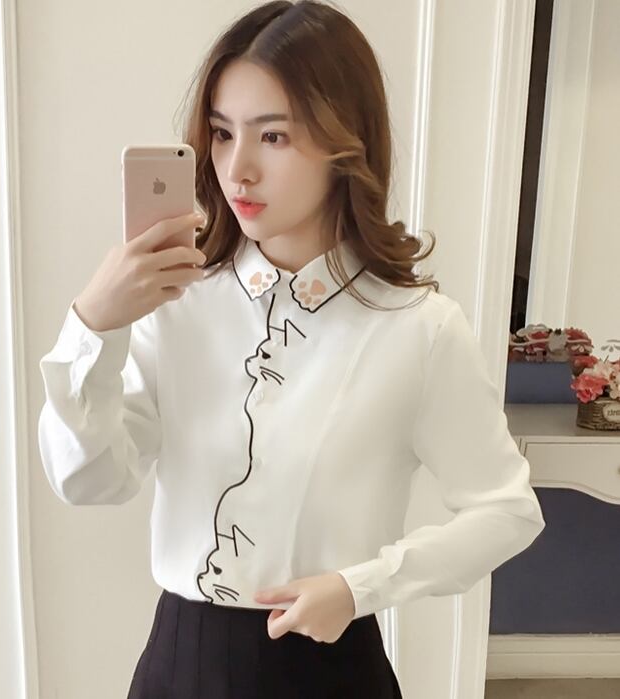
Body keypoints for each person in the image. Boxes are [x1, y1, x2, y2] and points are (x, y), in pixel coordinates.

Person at [37, 1, 546, 697]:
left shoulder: (417, 328)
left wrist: (362, 585)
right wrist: (93, 326)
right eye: (221, 133)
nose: (236, 169)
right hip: (181, 664)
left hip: (329, 667)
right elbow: (89, 480)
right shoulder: (176, 305)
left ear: (346, 142)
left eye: (272, 136)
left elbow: (507, 510)